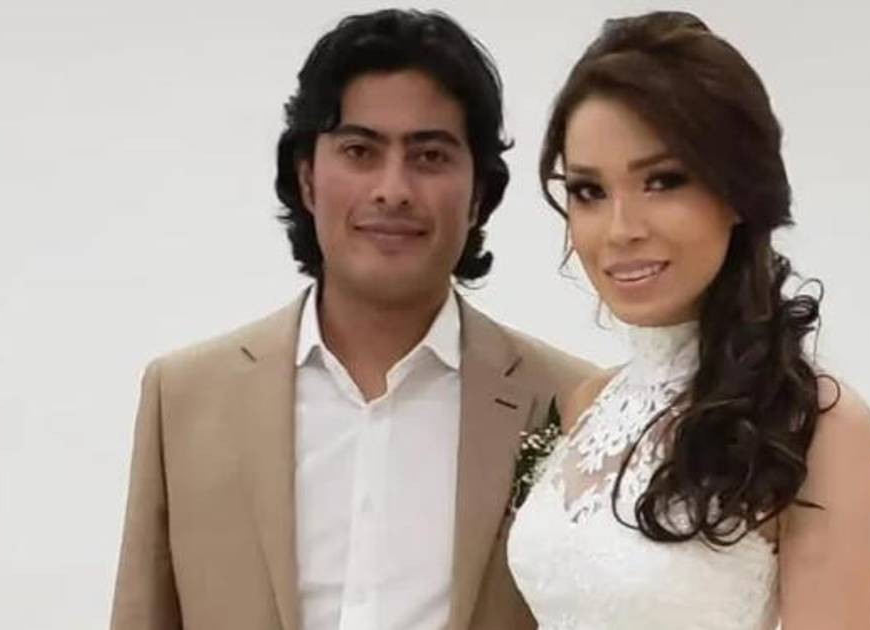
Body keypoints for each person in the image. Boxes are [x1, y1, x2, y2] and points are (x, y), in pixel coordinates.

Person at [110, 10, 594, 630]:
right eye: (360, 151)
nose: (393, 190)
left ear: (478, 194)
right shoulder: (184, 396)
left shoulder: (569, 405)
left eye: (429, 155)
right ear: (307, 179)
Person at [506, 11, 870, 629]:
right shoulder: (586, 403)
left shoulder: (818, 426)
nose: (621, 229)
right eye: (589, 191)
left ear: (737, 191)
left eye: (662, 181)